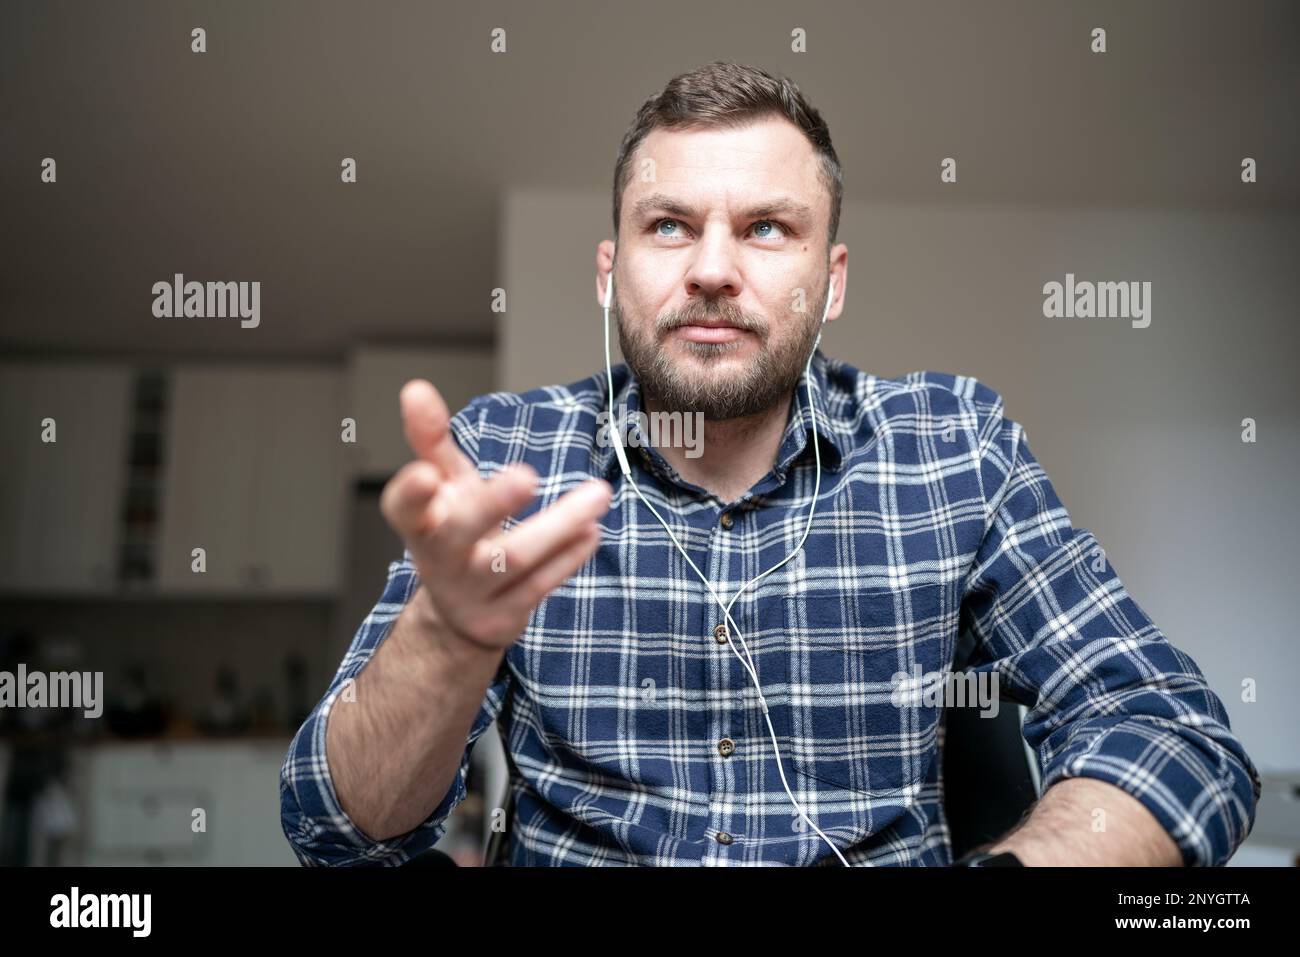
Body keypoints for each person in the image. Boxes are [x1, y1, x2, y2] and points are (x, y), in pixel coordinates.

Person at [280, 60, 1260, 866]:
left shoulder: (952, 446)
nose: (711, 268)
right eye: (668, 225)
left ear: (829, 282)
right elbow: (333, 831)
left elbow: (1174, 736)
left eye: (765, 228)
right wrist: (448, 640)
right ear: (609, 270)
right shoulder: (503, 458)